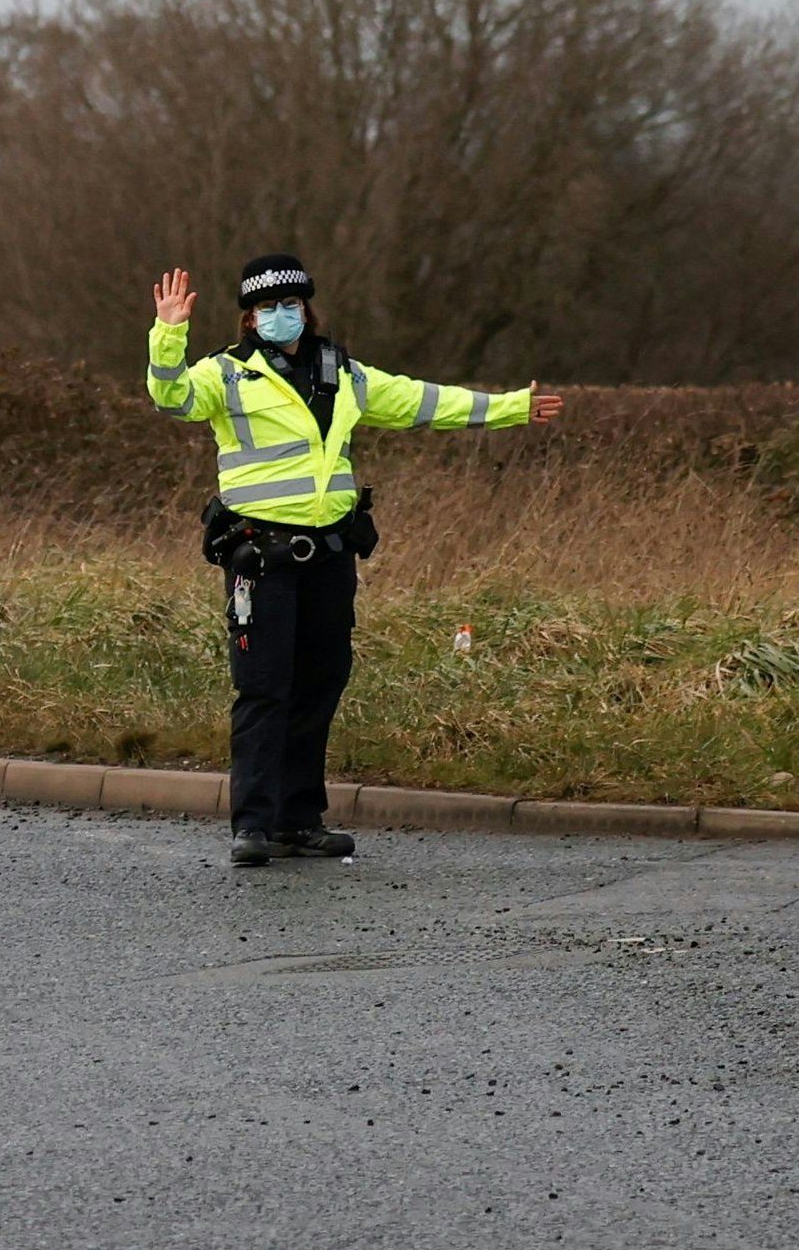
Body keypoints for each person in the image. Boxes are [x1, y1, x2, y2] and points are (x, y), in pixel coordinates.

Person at [147, 255, 565, 867]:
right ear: (249, 317)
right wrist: (169, 332)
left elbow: (424, 402)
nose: (282, 317)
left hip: (329, 555)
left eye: (291, 306)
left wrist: (509, 408)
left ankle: (298, 821)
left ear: (307, 309)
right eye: (268, 309)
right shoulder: (226, 375)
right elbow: (170, 395)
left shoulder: (338, 371)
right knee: (264, 690)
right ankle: (254, 826)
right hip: (260, 556)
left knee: (321, 682)